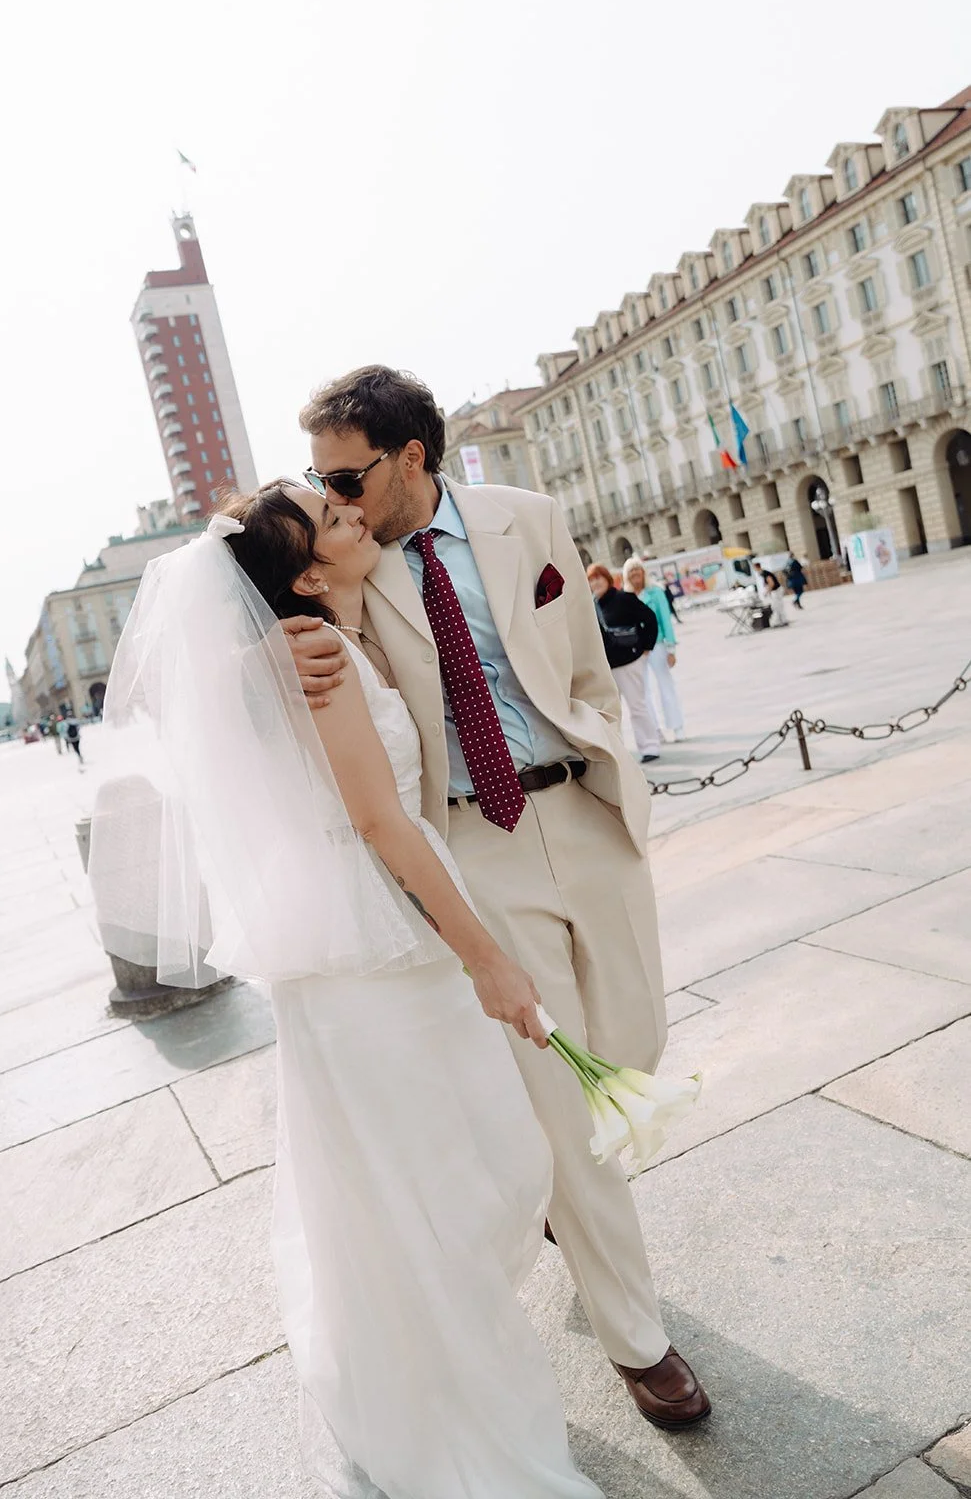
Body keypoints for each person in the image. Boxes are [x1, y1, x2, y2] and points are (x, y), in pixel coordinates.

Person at [94, 489, 609, 1498]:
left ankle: (412, 1398)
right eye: (328, 517)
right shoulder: (313, 660)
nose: (350, 512)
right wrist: (486, 959)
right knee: (442, 1200)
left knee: (419, 1196)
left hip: (366, 952)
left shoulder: (317, 637)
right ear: (307, 578)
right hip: (383, 957)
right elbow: (382, 823)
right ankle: (462, 1436)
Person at [288, 365, 710, 1431]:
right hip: (480, 841)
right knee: (569, 1109)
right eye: (318, 476)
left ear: (410, 458)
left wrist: (607, 750)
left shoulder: (529, 519)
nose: (331, 495)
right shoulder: (350, 570)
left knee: (633, 1046)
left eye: (345, 472)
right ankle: (637, 1339)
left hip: (586, 814)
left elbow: (582, 673)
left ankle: (575, 1209)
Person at [586, 563, 661, 764]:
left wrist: (647, 647)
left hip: (629, 661)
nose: (595, 582)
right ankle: (618, 753)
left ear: (607, 579)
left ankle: (650, 745)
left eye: (598, 577)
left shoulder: (624, 598)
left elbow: (650, 619)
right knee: (609, 711)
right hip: (607, 666)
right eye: (591, 579)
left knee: (637, 705)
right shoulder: (591, 606)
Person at [624, 557, 685, 743]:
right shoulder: (626, 597)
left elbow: (666, 620)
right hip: (637, 649)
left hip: (657, 644)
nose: (635, 574)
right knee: (642, 692)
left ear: (643, 572)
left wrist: (671, 647)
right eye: (631, 571)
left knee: (666, 685)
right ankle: (654, 730)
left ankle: (676, 726)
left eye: (638, 570)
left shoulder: (656, 592)